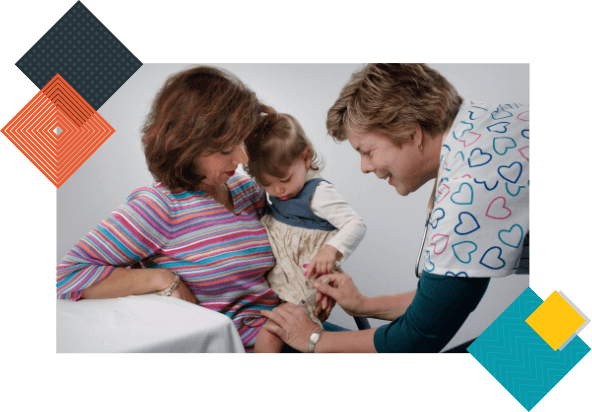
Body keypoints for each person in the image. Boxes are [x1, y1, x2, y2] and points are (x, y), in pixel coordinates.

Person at [261, 63, 530, 353]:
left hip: (570, 314)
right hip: (566, 308)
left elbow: (417, 340)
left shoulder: (467, 188)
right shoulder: (487, 122)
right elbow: (445, 302)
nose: (364, 167)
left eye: (367, 151)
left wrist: (313, 339)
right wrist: (363, 304)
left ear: (411, 132)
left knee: (512, 368)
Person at [56, 66, 288, 353]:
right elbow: (68, 275)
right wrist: (160, 278)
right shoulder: (159, 207)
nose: (242, 157)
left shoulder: (247, 191)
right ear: (186, 146)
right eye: (226, 149)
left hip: (287, 330)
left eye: (242, 141)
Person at [243, 109, 366, 353]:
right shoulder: (276, 194)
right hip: (281, 283)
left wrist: (331, 250)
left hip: (306, 285)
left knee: (270, 334)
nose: (278, 190)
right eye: (267, 184)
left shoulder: (318, 194)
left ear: (305, 158)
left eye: (285, 179)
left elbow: (356, 225)